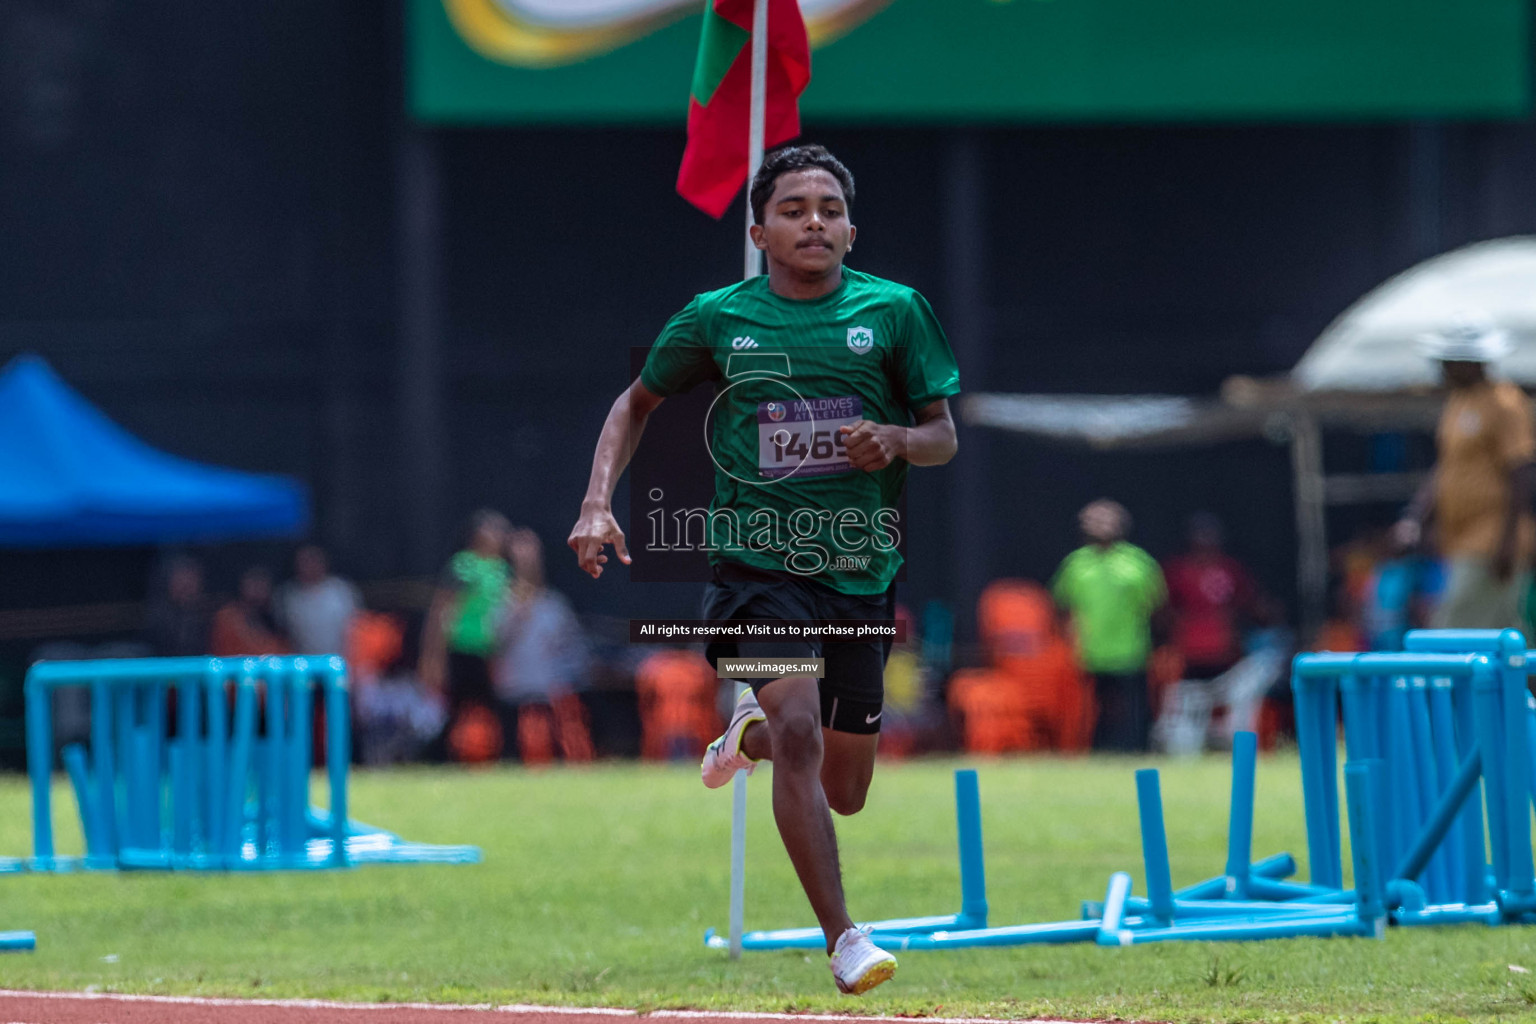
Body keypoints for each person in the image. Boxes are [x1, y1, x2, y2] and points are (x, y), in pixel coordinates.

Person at [567, 144, 959, 994]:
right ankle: (845, 939)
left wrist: (894, 439)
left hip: (858, 570)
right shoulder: (718, 318)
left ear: (850, 229)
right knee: (799, 733)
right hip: (752, 568)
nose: (812, 220)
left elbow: (942, 435)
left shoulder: (894, 313)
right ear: (760, 231)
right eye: (792, 208)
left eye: (827, 207)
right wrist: (598, 502)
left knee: (845, 788)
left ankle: (747, 735)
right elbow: (634, 402)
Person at [1393, 318, 1536, 629]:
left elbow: (1521, 471)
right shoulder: (1458, 403)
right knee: (1507, 633)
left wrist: (1508, 542)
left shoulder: (1505, 403)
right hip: (1462, 539)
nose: (1441, 367)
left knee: (1454, 628)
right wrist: (1417, 517)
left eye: (1449, 360)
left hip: (1492, 540)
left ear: (1471, 362)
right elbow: (1446, 468)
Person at [1051, 499, 1166, 753]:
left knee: (1134, 709)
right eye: (1094, 520)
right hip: (1090, 654)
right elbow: (1062, 606)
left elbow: (1157, 606)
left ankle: (1135, 751)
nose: (1100, 526)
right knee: (1093, 709)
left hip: (1130, 651)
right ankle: (1097, 751)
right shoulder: (1076, 564)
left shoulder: (1137, 563)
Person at [493, 528, 593, 764]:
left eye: (532, 555)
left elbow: (573, 651)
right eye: (520, 555)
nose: (527, 561)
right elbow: (492, 643)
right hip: (512, 697)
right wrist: (516, 615)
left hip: (551, 698)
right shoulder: (498, 602)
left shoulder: (554, 605)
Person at [420, 509, 511, 760]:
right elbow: (442, 609)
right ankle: (439, 756)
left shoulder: (502, 570)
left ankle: (495, 756)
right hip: (461, 647)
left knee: (493, 708)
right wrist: (433, 656)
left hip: (489, 650)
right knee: (455, 708)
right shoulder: (464, 565)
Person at [276, 544, 362, 657]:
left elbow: (359, 626)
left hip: (342, 661)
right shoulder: (287, 596)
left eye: (314, 560)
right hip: (302, 664)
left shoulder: (341, 590)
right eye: (305, 561)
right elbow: (282, 634)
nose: (310, 565)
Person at [210, 566, 288, 657]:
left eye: (262, 584)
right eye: (254, 583)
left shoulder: (275, 618)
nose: (258, 589)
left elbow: (283, 652)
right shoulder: (228, 618)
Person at [145, 554, 212, 657]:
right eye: (180, 580)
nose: (186, 587)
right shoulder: (157, 619)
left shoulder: (210, 617)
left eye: (191, 581)